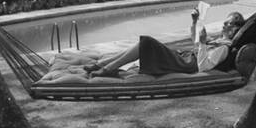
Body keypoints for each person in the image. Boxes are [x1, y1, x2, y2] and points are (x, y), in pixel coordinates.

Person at [84, 8, 245, 78]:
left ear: (234, 30)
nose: (223, 25)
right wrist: (195, 21)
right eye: (225, 22)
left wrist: (203, 44)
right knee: (144, 44)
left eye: (227, 23)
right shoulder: (219, 41)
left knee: (146, 43)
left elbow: (203, 67)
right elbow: (195, 41)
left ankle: (107, 69)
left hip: (187, 64)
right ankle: (101, 65)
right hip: (185, 57)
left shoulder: (224, 47)